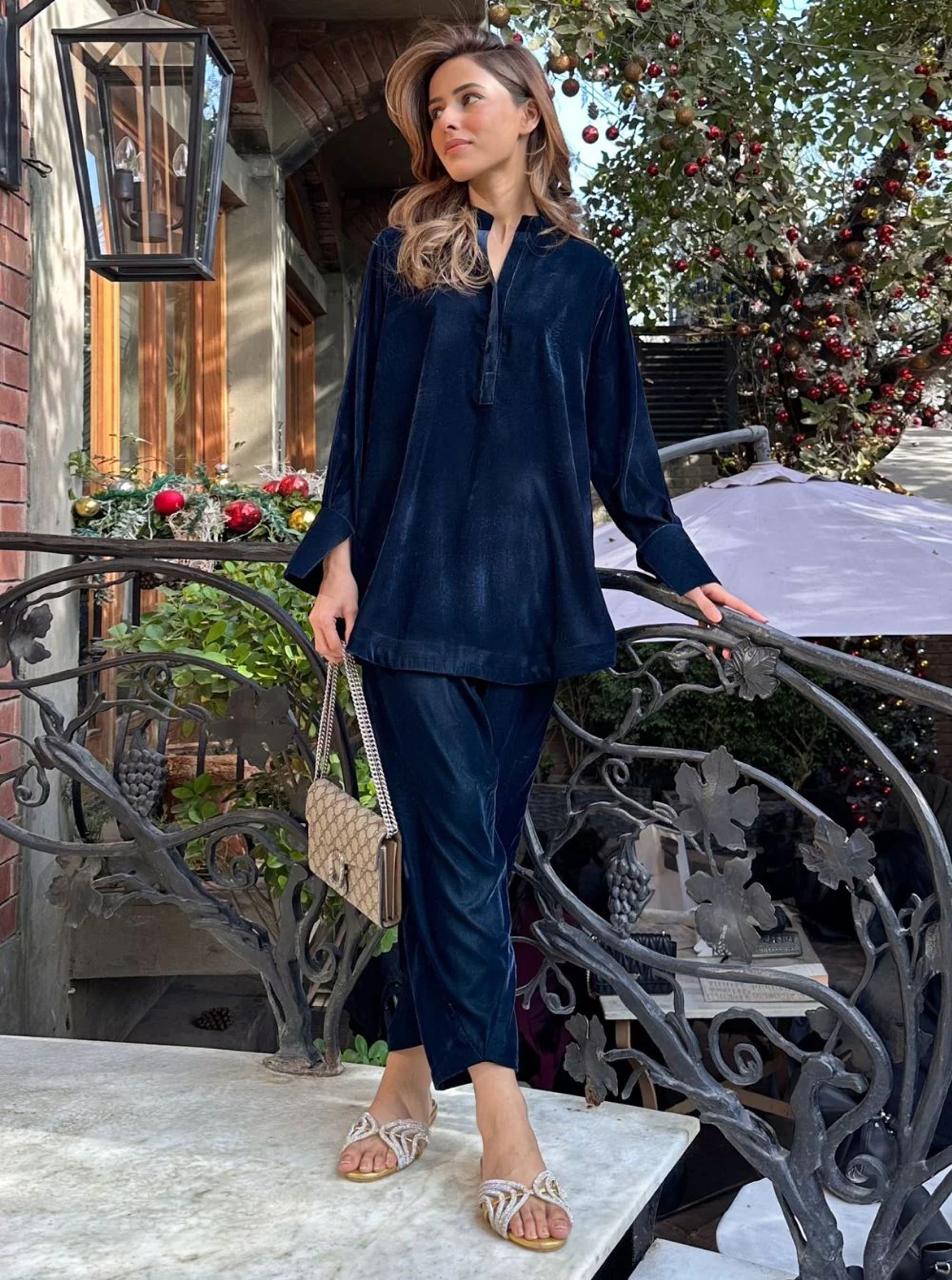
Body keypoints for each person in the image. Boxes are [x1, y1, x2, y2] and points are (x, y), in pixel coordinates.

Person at [283, 18, 767, 1252]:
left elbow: (621, 451)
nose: (446, 123)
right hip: (410, 599)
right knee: (455, 852)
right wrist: (337, 562)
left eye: (467, 101)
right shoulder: (403, 254)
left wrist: (687, 571)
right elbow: (361, 433)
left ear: (527, 112)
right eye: (435, 109)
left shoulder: (585, 278)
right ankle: (504, 1128)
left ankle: (405, 1077)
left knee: (473, 856)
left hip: (532, 601)